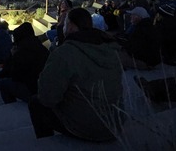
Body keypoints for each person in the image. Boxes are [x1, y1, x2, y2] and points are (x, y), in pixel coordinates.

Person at [28, 7, 124, 141]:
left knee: (36, 103)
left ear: (71, 26)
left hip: (88, 128)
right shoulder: (109, 47)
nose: (62, 27)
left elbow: (47, 97)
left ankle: (46, 143)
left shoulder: (65, 53)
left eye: (65, 23)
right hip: (115, 123)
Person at [0, 22, 49, 104]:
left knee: (3, 83)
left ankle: (11, 106)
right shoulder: (42, 48)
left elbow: (15, 76)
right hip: (44, 88)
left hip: (32, 90)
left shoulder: (22, 52)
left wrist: (13, 56)